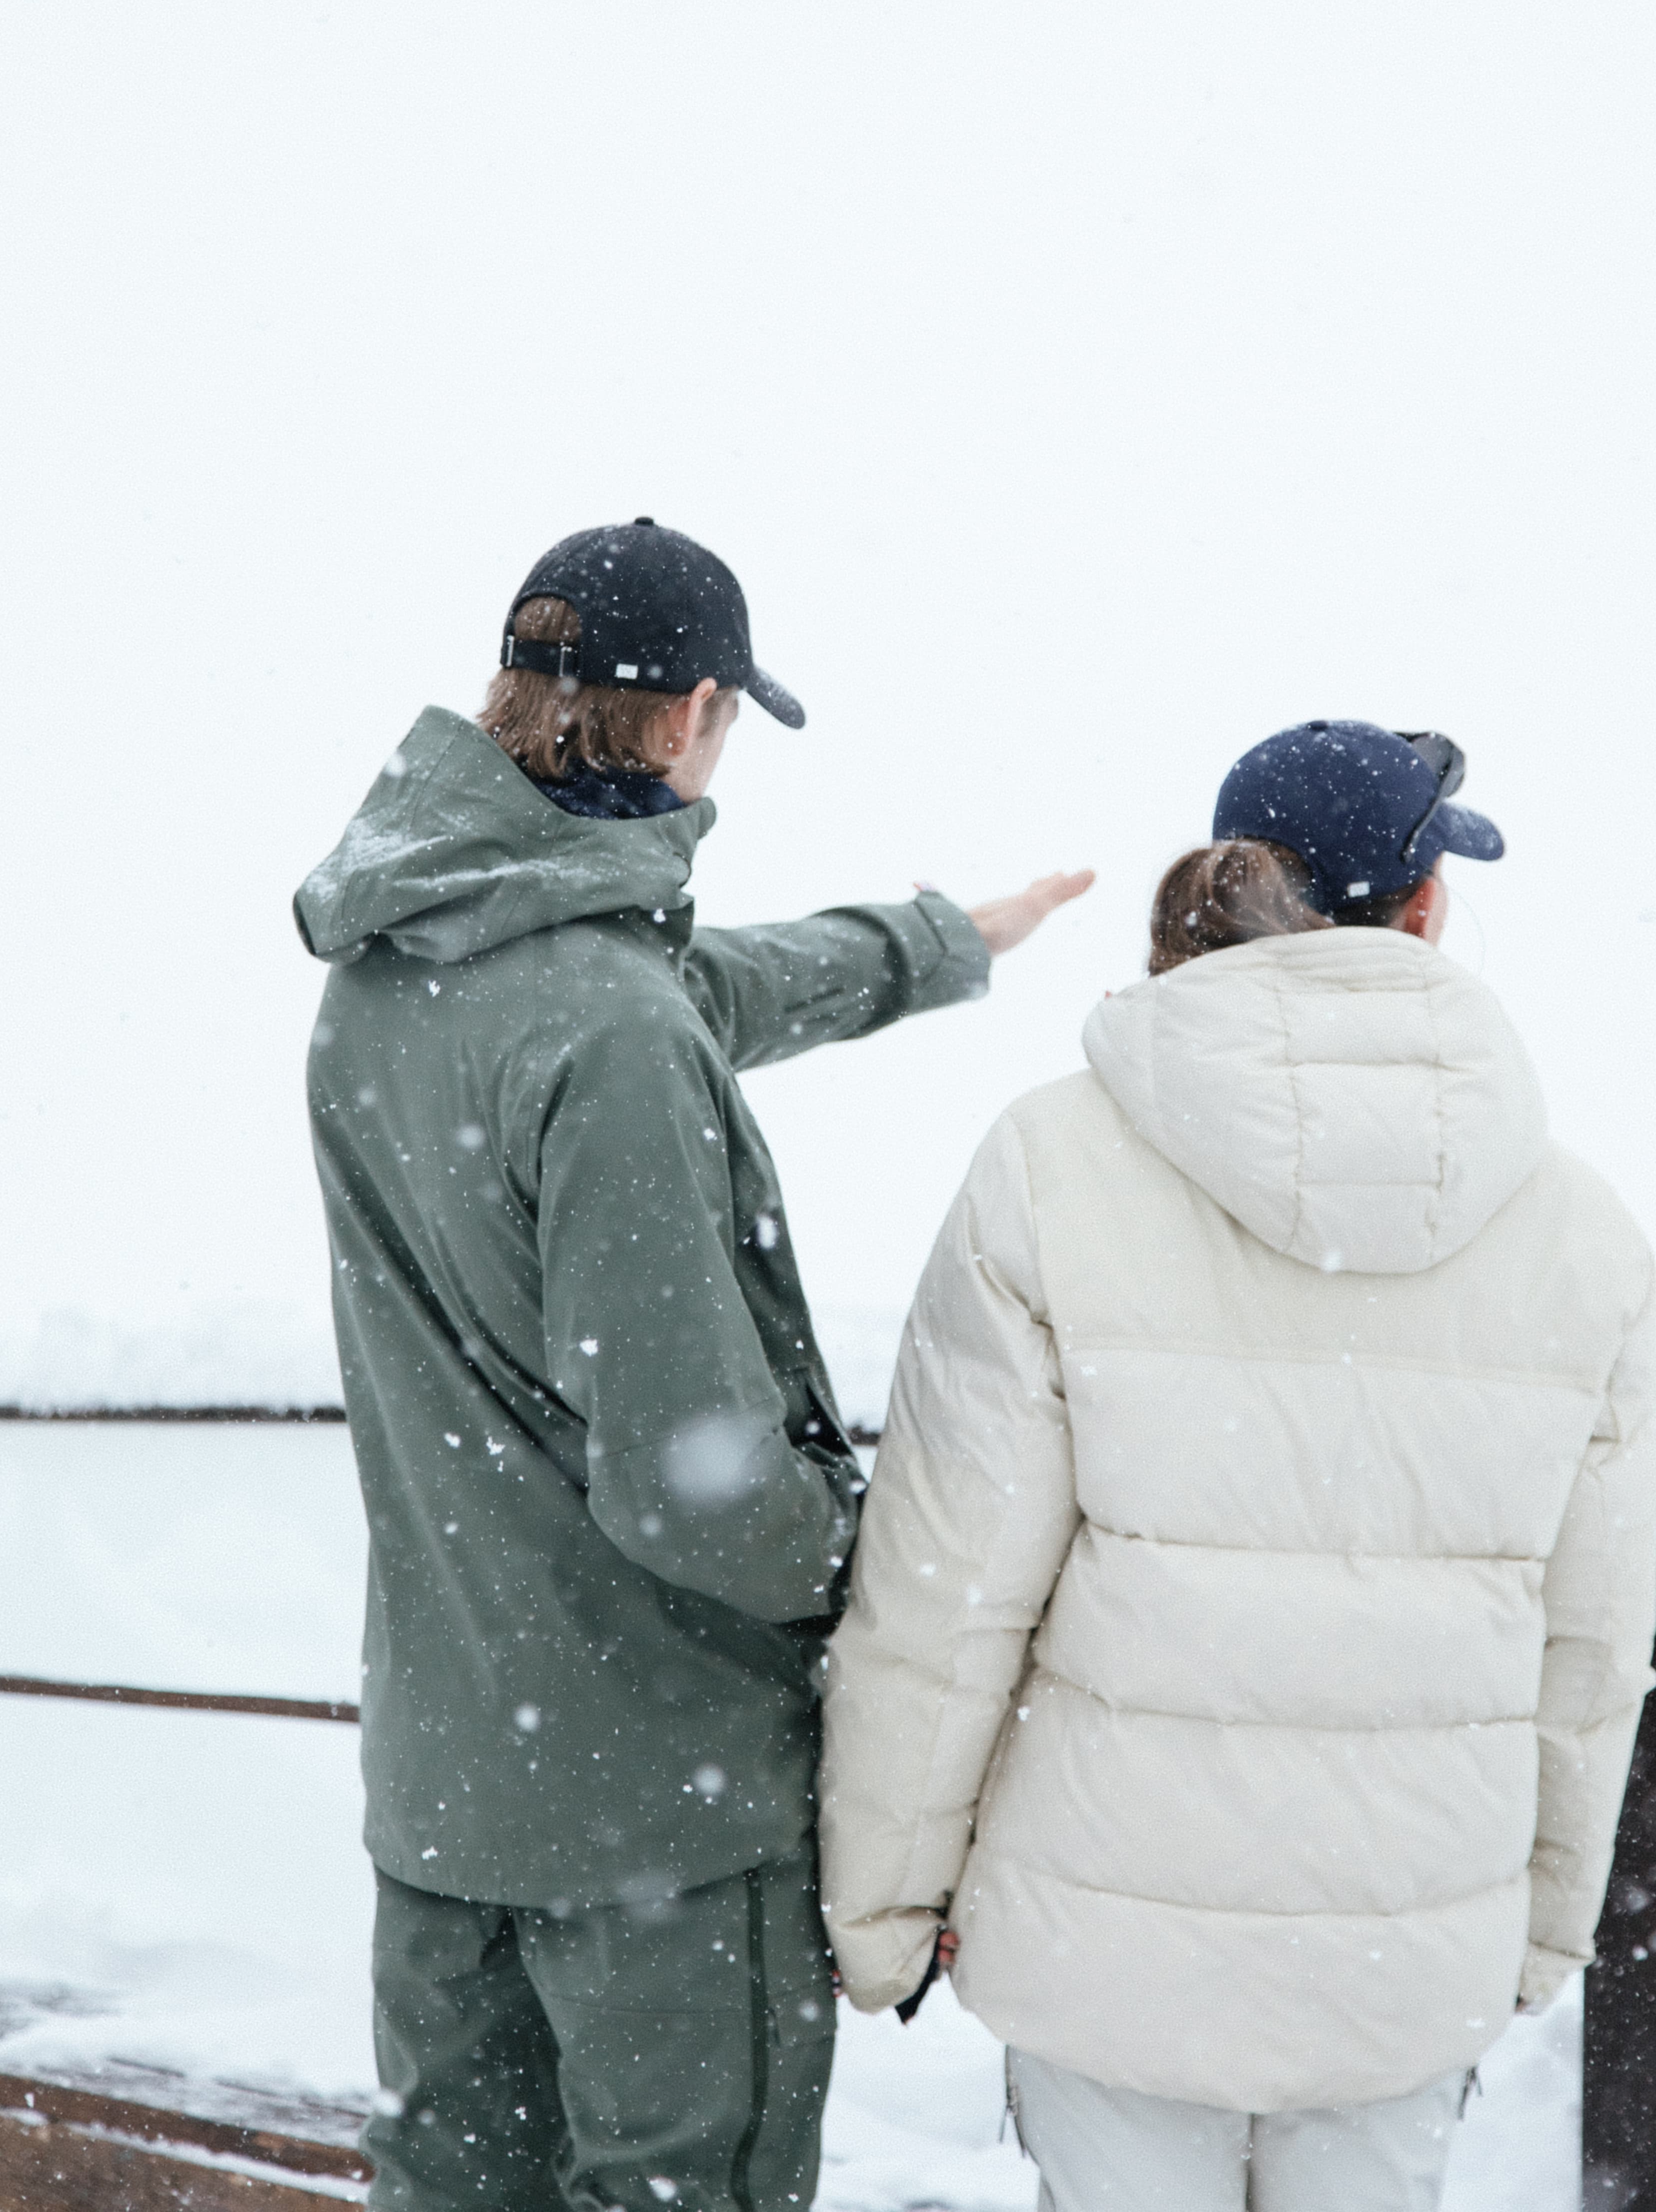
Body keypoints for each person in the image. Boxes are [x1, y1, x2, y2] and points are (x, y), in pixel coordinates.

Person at [294, 517, 1091, 2212]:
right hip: (653, 1811)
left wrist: (937, 940)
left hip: (450, 1793)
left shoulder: (389, 976)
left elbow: (687, 991)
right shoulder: (607, 1029)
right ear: (686, 715)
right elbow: (688, 1486)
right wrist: (885, 1565)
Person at [819, 720, 1656, 2212]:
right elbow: (1592, 1645)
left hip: (1103, 1940)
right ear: (1424, 910)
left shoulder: (1052, 1165)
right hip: (1409, 1942)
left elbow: (949, 1592)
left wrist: (885, 1907)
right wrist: (1539, 1928)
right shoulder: (1580, 1229)